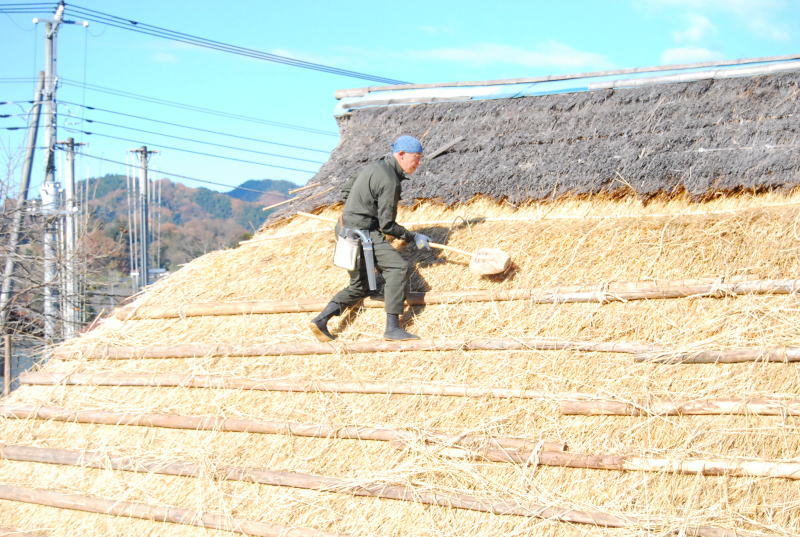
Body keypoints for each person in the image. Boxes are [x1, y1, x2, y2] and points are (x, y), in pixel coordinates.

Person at [309, 135, 431, 342]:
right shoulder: (390, 180)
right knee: (396, 268)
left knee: (360, 285)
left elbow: (348, 187)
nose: (419, 163)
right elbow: (387, 226)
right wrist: (413, 236)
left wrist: (347, 209)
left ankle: (321, 320)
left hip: (344, 229)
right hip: (363, 233)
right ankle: (392, 328)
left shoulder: (374, 167)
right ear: (401, 154)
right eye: (416, 157)